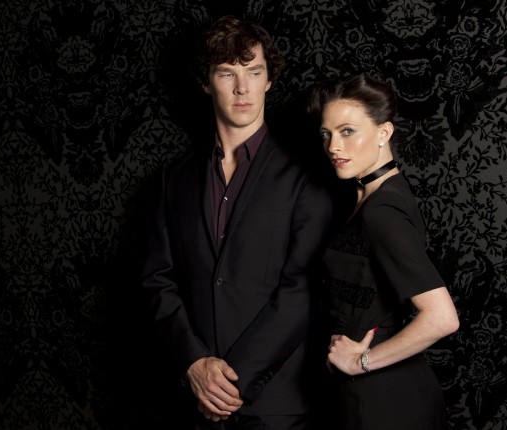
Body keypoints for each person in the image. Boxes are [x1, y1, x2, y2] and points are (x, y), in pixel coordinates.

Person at [141, 15, 334, 429]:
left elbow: (302, 290)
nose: (242, 87)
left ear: (269, 80)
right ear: (206, 82)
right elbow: (158, 280)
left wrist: (231, 384)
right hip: (191, 404)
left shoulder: (306, 174)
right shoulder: (174, 178)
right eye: (227, 73)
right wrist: (194, 363)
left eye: (254, 72)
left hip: (276, 405)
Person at [306, 74, 460, 430]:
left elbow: (442, 317)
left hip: (384, 401)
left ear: (384, 132)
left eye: (347, 131)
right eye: (326, 134)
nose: (333, 146)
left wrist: (360, 362)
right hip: (370, 395)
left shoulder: (382, 211)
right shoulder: (375, 197)